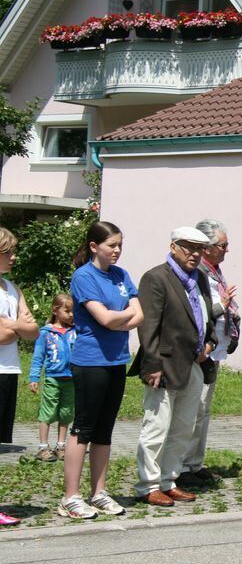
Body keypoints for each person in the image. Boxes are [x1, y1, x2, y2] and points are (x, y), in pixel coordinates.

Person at [61, 222, 140, 519]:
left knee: (104, 430)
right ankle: (70, 496)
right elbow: (104, 319)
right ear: (94, 247)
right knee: (83, 429)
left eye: (120, 244)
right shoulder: (84, 277)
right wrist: (123, 316)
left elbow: (140, 313)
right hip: (90, 361)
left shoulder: (122, 275)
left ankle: (99, 492)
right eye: (111, 245)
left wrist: (121, 317)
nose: (117, 250)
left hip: (116, 360)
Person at [132, 227, 216, 507]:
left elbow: (206, 315)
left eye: (200, 249)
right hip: (164, 364)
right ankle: (148, 484)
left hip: (193, 362)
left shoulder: (200, 278)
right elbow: (148, 326)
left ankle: (169, 479)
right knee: (156, 427)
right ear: (173, 247)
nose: (195, 254)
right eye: (188, 247)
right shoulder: (156, 278)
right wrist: (152, 363)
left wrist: (210, 342)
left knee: (184, 426)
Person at [179, 219, 239, 487]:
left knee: (203, 410)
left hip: (215, 348)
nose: (227, 249)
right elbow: (198, 313)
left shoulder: (213, 270)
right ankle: (181, 466)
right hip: (201, 348)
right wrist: (222, 305)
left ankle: (194, 462)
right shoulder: (199, 273)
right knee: (193, 409)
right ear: (208, 246)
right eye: (223, 245)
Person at [0, 228, 38, 526]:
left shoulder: (12, 288)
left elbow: (33, 331)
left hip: (9, 370)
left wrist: (9, 324)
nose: (14, 257)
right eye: (8, 252)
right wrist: (16, 326)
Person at [29, 294, 76, 463]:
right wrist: (34, 377)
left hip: (71, 379)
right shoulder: (45, 333)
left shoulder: (75, 331)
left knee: (66, 413)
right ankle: (43, 447)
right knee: (48, 412)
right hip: (52, 379)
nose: (71, 315)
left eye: (73, 311)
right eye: (67, 311)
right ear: (55, 311)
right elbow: (38, 357)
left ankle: (61, 446)